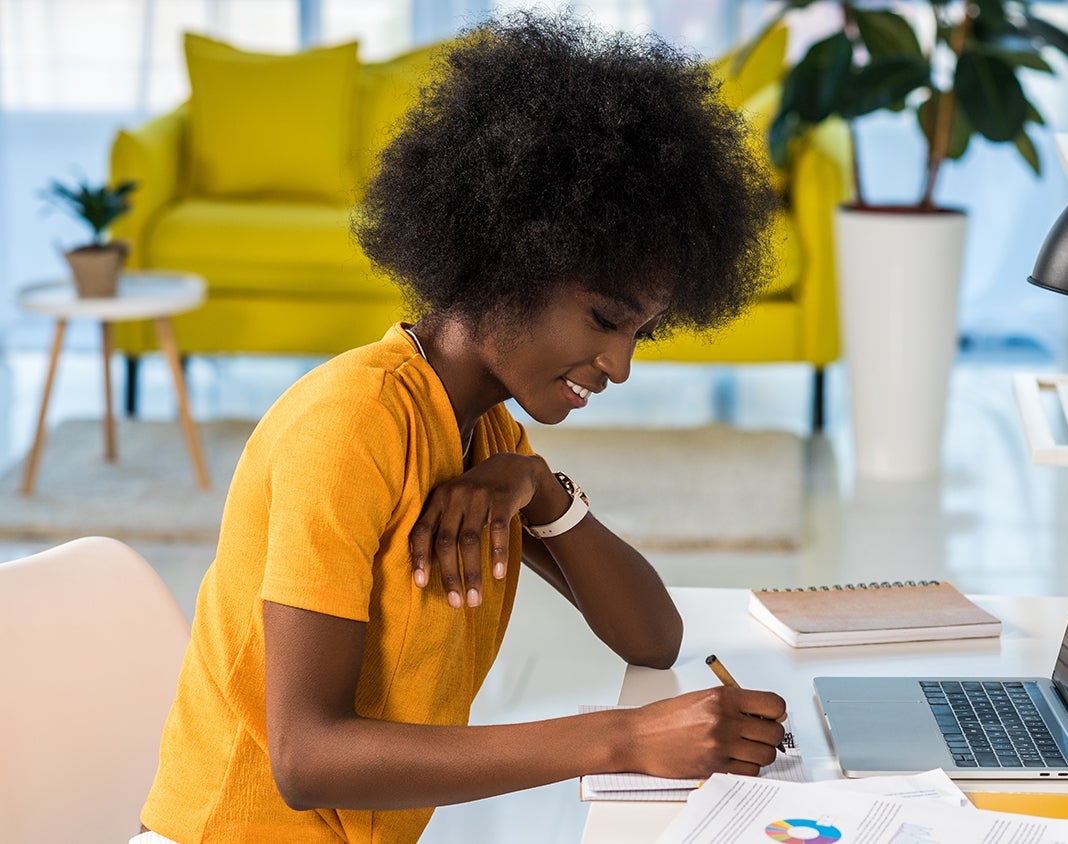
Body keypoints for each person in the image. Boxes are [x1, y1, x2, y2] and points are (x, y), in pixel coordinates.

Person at [138, 12, 785, 842]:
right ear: (508, 263)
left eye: (639, 333)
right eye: (603, 318)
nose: (620, 365)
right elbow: (306, 759)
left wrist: (540, 485)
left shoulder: (487, 440)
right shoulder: (351, 425)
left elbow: (652, 637)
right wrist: (622, 739)